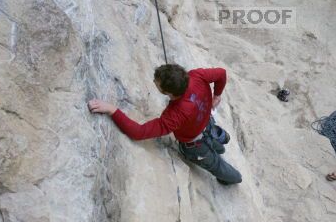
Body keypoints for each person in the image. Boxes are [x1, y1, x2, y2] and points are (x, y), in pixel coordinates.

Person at [88, 64, 242, 185]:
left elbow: (138, 132)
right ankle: (219, 143)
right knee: (211, 138)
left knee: (216, 165)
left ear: (170, 94)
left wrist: (112, 110)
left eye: (157, 83)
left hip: (194, 144)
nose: (154, 82)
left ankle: (233, 178)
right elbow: (221, 73)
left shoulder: (174, 115)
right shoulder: (196, 75)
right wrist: (217, 94)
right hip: (206, 120)